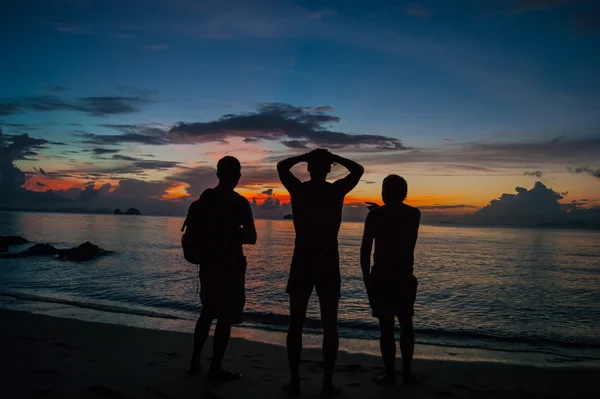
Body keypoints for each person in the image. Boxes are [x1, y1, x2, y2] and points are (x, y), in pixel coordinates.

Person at [277, 149, 364, 396]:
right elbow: (358, 170)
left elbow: (282, 166)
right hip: (327, 259)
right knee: (329, 325)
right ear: (328, 169)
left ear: (308, 168)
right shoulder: (335, 190)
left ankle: (295, 381)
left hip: (303, 258)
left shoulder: (300, 190)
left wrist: (306, 155)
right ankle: (326, 384)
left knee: (296, 323)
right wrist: (334, 156)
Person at [185, 156, 257, 380]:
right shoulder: (240, 203)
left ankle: (195, 362)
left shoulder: (205, 198)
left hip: (208, 264)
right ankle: (215, 368)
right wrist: (232, 234)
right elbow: (252, 237)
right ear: (238, 177)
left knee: (207, 313)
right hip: (230, 266)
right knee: (224, 318)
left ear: (218, 175)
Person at [360, 175, 421, 386]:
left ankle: (390, 374)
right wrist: (381, 209)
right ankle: (407, 373)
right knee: (406, 325)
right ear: (404, 193)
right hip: (404, 277)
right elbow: (396, 219)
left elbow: (365, 251)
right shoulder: (414, 214)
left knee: (386, 328)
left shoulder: (375, 216)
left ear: (385, 192)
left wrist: (367, 280)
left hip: (382, 278)